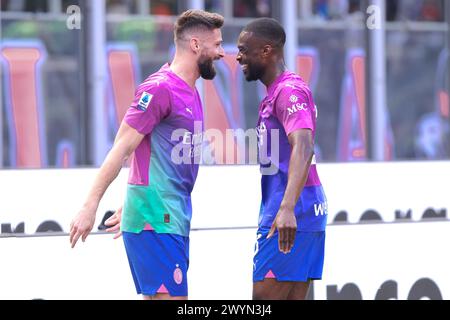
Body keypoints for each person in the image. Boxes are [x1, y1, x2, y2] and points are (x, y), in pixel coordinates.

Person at [69, 9, 225, 300]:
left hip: (170, 217)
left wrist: (134, 198)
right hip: (156, 219)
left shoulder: (190, 91)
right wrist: (90, 206)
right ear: (195, 45)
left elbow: (154, 155)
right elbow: (122, 146)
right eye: (216, 44)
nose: (222, 53)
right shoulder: (159, 88)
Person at [236, 18, 328, 300]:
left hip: (291, 212)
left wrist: (287, 207)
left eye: (244, 49)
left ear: (266, 51)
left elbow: (303, 146)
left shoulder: (288, 92)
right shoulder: (276, 93)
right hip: (299, 210)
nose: (238, 56)